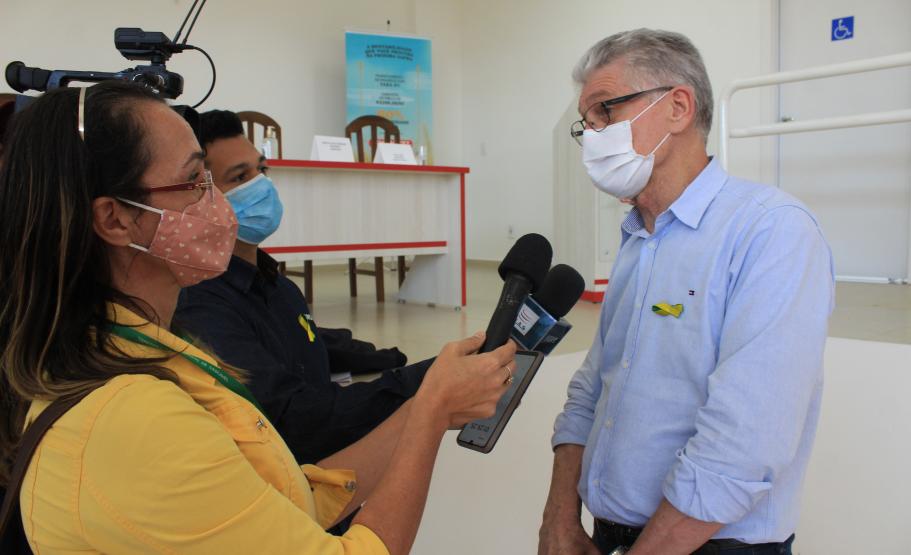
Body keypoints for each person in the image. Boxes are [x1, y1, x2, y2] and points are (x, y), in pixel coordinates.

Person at [0, 80, 517, 554]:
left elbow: (290, 496)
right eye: (194, 182)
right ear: (115, 218)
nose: (218, 202)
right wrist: (426, 417)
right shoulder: (133, 420)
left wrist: (429, 404)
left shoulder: (148, 348)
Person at [539, 29, 834, 555]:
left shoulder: (772, 232)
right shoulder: (638, 238)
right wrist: (560, 518)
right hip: (609, 535)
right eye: (587, 123)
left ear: (677, 107)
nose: (593, 135)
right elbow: (592, 390)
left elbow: (743, 443)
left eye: (605, 110)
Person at [174, 109, 431, 464]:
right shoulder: (200, 306)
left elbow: (301, 343)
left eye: (261, 169)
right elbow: (297, 418)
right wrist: (427, 382)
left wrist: (387, 360)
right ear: (199, 195)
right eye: (239, 177)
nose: (261, 185)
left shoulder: (278, 285)